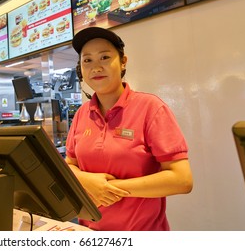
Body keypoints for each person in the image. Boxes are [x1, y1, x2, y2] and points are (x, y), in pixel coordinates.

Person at [65, 27, 193, 231]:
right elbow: (70, 164)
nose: (96, 67)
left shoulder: (150, 108)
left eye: (105, 57)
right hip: (89, 231)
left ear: (123, 62)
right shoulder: (82, 114)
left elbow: (181, 179)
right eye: (87, 60)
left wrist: (109, 189)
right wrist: (86, 180)